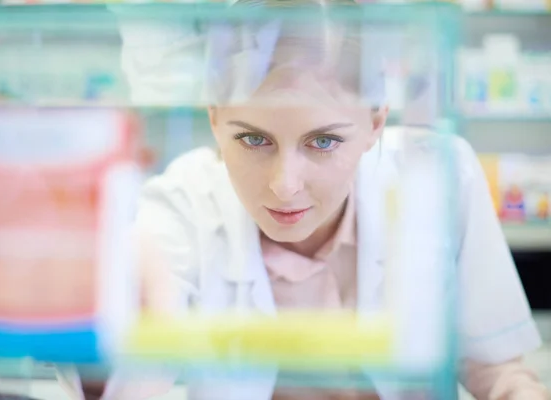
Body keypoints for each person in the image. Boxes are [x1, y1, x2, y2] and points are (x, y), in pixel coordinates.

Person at [54, 2, 551, 399]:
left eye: (323, 141)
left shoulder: (439, 175)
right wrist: (103, 319)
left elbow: (497, 370)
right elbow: (123, 381)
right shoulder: (181, 205)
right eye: (253, 139)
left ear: (376, 120)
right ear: (213, 118)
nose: (284, 185)